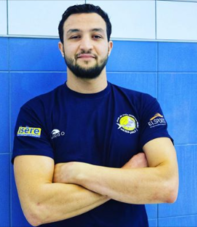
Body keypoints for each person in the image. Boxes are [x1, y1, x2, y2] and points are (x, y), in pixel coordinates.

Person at [12, 4, 178, 226]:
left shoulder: (142, 105)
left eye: (96, 36)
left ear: (109, 47)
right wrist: (126, 176)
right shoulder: (36, 113)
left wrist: (77, 172)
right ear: (62, 48)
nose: (86, 45)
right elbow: (38, 208)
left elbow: (167, 187)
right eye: (75, 36)